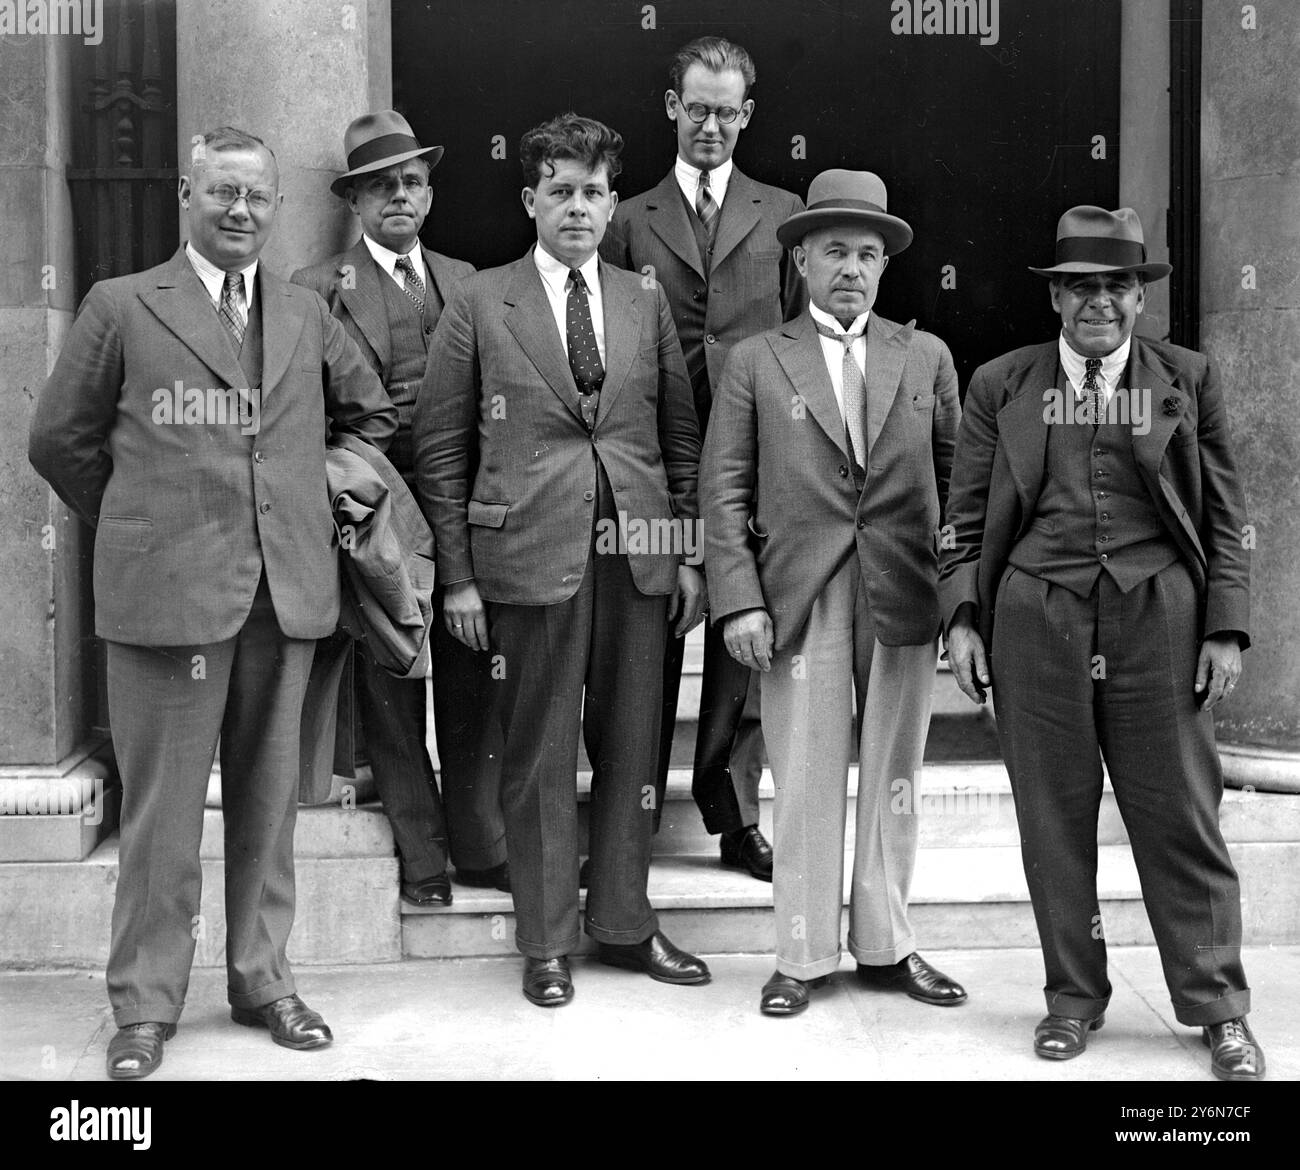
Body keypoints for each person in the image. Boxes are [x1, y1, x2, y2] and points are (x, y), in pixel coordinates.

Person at [28, 126, 397, 1079]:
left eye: (259, 198)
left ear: (277, 208)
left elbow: (370, 413)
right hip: (165, 602)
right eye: (223, 193)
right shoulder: (122, 305)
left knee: (272, 812)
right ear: (186, 194)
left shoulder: (308, 311)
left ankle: (263, 982)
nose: (241, 212)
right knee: (160, 819)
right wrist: (143, 523)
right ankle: (145, 1009)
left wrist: (325, 482)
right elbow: (58, 439)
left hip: (286, 595)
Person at [941, 205, 1263, 1080]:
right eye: (1080, 288)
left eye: (1115, 287)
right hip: (1035, 617)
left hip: (1158, 614)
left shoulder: (1188, 379)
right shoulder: (1002, 384)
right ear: (1056, 300)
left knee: (1181, 816)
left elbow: (1229, 520)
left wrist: (1225, 628)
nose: (1098, 305)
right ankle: (1073, 1001)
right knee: (1052, 819)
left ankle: (1218, 1009)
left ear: (1138, 297)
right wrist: (963, 619)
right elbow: (964, 519)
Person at [413, 113, 710, 1007]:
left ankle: (623, 920)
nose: (578, 207)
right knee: (538, 753)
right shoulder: (478, 299)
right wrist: (458, 575)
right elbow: (440, 448)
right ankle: (544, 939)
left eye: (593, 192)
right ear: (531, 199)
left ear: (613, 202)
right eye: (561, 191)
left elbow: (678, 437)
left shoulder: (641, 297)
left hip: (636, 557)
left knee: (633, 747)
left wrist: (686, 553)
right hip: (526, 556)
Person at [701, 169, 967, 1016]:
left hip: (903, 588)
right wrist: (738, 598)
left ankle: (887, 944)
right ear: (803, 260)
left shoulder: (925, 356)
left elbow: (960, 484)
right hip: (799, 593)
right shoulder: (755, 360)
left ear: (885, 266)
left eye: (866, 252)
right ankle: (803, 954)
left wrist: (961, 599)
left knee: (896, 768)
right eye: (833, 251)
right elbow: (724, 490)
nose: (850, 267)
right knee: (806, 770)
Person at [292, 110, 508, 907]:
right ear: (355, 200)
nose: (400, 198)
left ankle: (480, 848)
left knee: (473, 674)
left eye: (413, 182)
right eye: (382, 186)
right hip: (373, 511)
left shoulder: (473, 282)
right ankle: (422, 859)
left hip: (461, 504)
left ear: (430, 192)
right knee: (389, 677)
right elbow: (300, 407)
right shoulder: (315, 289)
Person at [601, 35, 805, 880]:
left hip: (757, 458)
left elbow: (799, 335)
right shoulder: (624, 218)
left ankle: (732, 811)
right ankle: (630, 821)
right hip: (653, 461)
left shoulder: (786, 211)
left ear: (747, 115)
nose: (711, 125)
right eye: (698, 108)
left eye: (728, 110)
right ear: (672, 108)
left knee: (744, 641)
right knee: (651, 634)